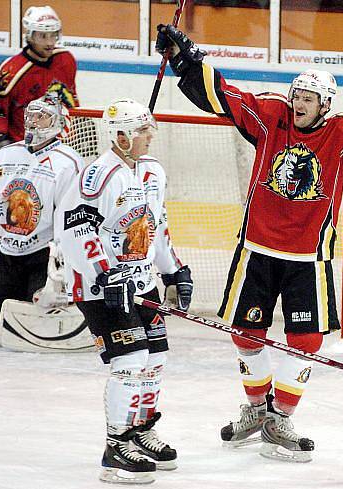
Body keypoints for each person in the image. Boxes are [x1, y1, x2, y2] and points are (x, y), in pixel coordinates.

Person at [155, 25, 343, 462]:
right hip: (257, 250)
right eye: (296, 95)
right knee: (246, 335)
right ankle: (255, 409)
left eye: (307, 99)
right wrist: (185, 58)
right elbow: (224, 97)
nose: (298, 104)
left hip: (309, 257)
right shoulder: (270, 117)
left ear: (325, 105)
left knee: (306, 342)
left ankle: (280, 418)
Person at [57, 98, 193, 484]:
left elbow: (155, 226)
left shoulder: (152, 172)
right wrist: (103, 274)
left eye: (149, 128)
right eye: (141, 130)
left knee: (155, 359)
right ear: (119, 136)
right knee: (130, 360)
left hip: (142, 283)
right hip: (102, 288)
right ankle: (116, 445)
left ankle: (140, 430)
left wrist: (173, 270)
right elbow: (76, 229)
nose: (151, 135)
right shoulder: (98, 175)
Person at [0, 93, 88, 351]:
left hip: (42, 256)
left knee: (42, 318)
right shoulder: (3, 157)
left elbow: (71, 220)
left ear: (57, 122)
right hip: (8, 254)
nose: (33, 122)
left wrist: (64, 262)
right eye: (30, 116)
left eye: (41, 117)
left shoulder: (67, 163)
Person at [0, 5, 79, 158]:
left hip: (61, 147)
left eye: (53, 35)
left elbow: (70, 99)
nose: (49, 42)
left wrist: (78, 130)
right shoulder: (11, 71)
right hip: (26, 149)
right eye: (42, 36)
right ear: (30, 36)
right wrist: (2, 145)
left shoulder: (65, 60)